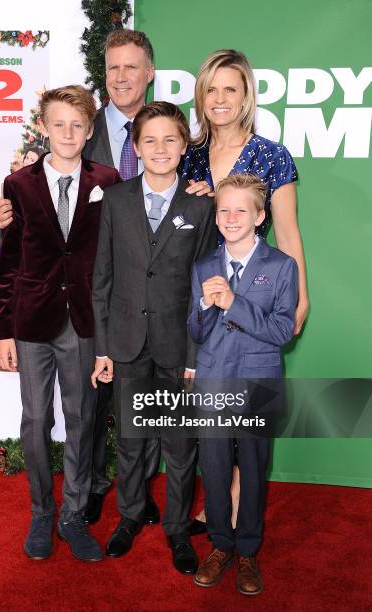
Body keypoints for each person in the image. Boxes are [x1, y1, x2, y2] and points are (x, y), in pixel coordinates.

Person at [0, 29, 162, 528]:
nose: (123, 76)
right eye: (114, 68)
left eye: (132, 67)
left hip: (124, 297)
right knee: (56, 415)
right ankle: (66, 504)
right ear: (46, 127)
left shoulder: (159, 134)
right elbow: (16, 250)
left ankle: (127, 497)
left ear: (149, 71)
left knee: (120, 403)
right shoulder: (25, 180)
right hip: (56, 310)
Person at [181, 48, 309, 534]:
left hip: (255, 294)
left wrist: (302, 294)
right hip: (202, 294)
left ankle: (237, 496)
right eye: (210, 89)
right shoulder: (189, 154)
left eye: (229, 89)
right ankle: (218, 496)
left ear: (246, 96)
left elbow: (289, 233)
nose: (219, 99)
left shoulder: (272, 155)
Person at [0, 85, 120, 563]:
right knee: (35, 419)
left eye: (77, 125)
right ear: (42, 128)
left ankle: (73, 514)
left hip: (83, 321)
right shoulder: (18, 185)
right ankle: (42, 512)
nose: (68, 133)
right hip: (31, 320)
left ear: (89, 131)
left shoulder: (107, 180)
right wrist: (3, 329)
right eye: (58, 124)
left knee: (83, 418)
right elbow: (8, 260)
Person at [91, 101, 217, 574]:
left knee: (180, 444)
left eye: (170, 140)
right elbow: (102, 278)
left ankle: (179, 529)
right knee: (129, 436)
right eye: (150, 140)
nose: (160, 148)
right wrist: (102, 346)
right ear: (136, 147)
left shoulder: (200, 205)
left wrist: (193, 354)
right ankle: (128, 516)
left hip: (176, 345)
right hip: (125, 342)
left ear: (184, 146)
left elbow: (205, 287)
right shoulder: (116, 200)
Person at [188, 173, 298, 594]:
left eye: (240, 210)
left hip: (258, 385)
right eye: (224, 210)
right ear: (216, 218)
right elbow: (195, 332)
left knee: (252, 471)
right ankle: (220, 545)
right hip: (214, 382)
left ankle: (248, 551)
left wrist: (234, 302)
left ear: (259, 215)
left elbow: (281, 330)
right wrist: (203, 305)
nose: (231, 217)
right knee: (214, 471)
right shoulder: (203, 266)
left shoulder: (281, 266)